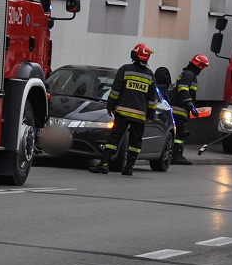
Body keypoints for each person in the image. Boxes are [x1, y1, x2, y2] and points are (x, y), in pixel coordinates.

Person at [89, 43, 158, 176]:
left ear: (133, 55)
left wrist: (110, 106)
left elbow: (115, 91)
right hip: (140, 116)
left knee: (114, 138)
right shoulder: (150, 75)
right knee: (135, 141)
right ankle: (129, 167)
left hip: (122, 113)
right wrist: (151, 114)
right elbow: (152, 98)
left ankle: (104, 164)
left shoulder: (125, 70)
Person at [169, 54, 210, 165]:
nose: (202, 69)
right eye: (203, 67)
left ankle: (174, 155)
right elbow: (183, 90)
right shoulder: (188, 75)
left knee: (180, 133)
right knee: (179, 134)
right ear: (199, 65)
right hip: (179, 109)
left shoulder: (189, 74)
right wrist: (190, 106)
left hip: (180, 109)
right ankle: (176, 156)